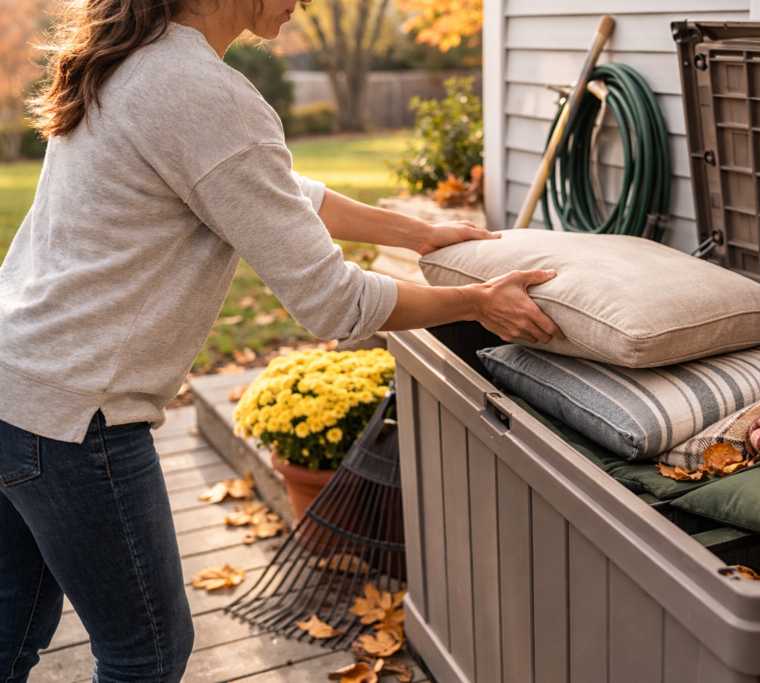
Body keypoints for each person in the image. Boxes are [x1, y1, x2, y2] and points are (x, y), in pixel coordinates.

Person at [0, 0, 563, 678]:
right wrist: (475, 301)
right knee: (145, 650)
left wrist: (418, 234)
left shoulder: (134, 60)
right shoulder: (202, 92)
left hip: (16, 385)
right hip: (74, 418)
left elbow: (269, 184)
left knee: (13, 630)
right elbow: (335, 302)